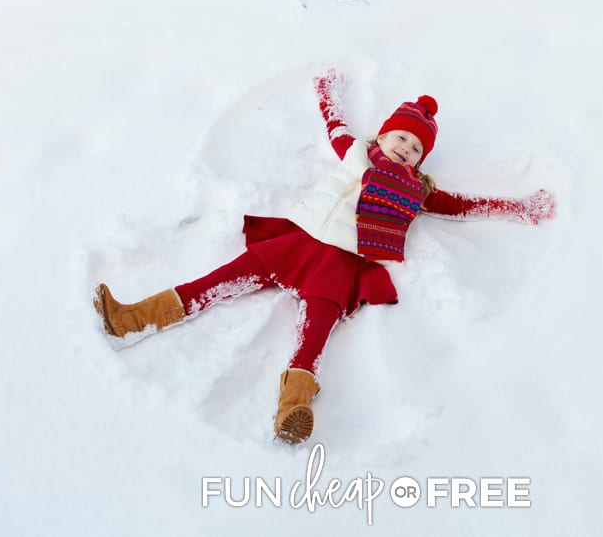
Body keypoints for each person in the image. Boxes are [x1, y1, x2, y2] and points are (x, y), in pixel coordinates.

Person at [93, 70, 556, 443]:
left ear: (419, 162)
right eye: (402, 139)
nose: (406, 150)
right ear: (385, 135)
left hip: (339, 265)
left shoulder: (415, 191)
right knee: (215, 282)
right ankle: (132, 318)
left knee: (313, 335)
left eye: (416, 149)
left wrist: (517, 207)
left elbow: (462, 205)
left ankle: (292, 409)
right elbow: (334, 125)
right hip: (294, 243)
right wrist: (327, 91)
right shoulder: (354, 153)